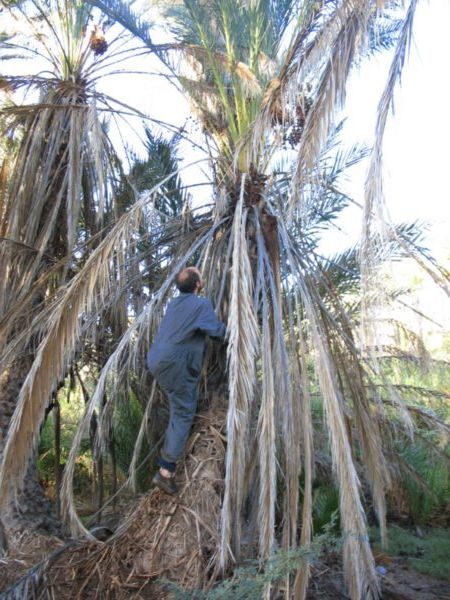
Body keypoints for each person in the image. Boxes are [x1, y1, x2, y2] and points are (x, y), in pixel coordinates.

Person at [146, 267, 226, 494]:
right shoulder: (200, 305)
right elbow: (216, 332)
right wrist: (237, 332)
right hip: (175, 362)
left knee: (179, 406)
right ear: (198, 284)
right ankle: (166, 471)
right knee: (183, 413)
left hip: (156, 360)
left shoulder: (173, 304)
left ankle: (168, 458)